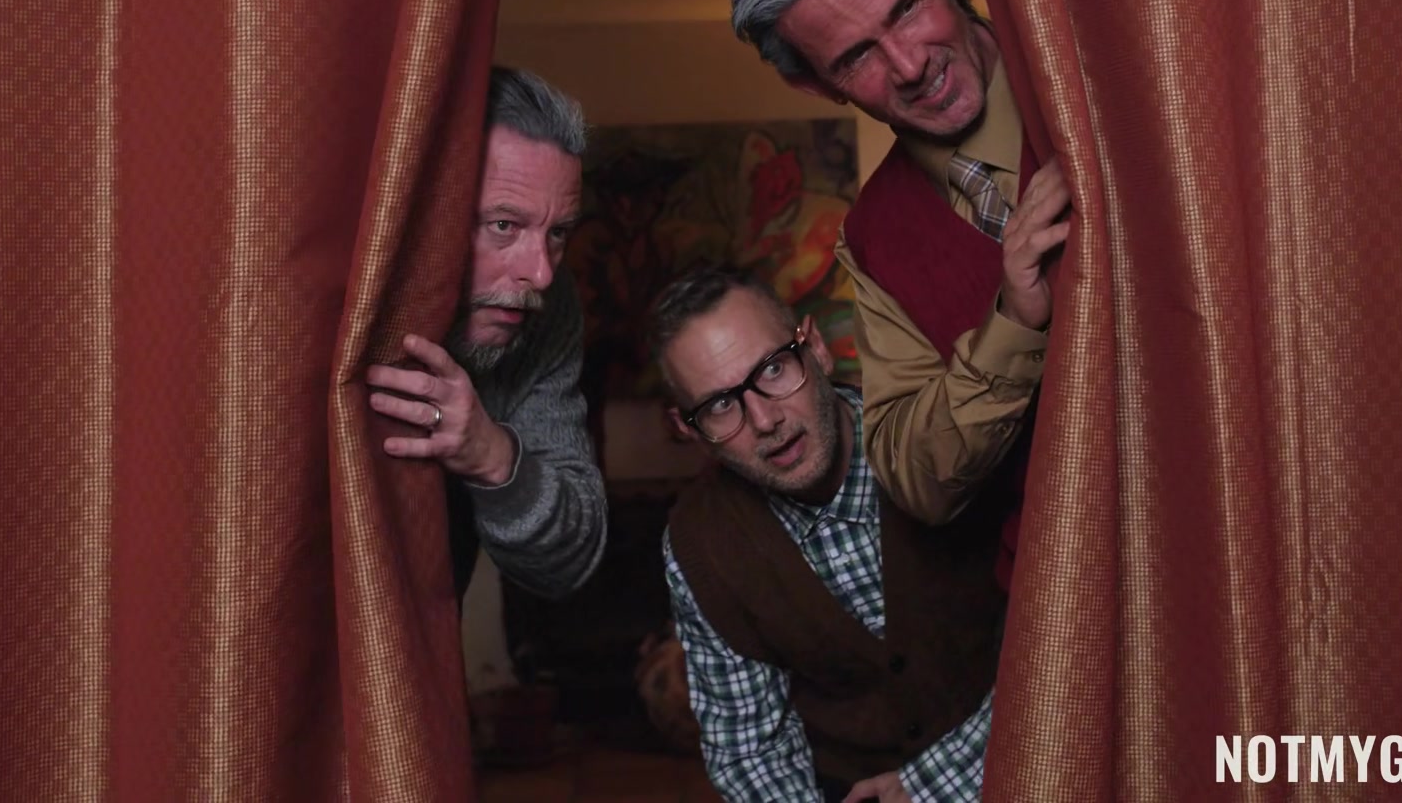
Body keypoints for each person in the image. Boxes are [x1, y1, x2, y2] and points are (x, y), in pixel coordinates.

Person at [730, 0, 1070, 580]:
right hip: (1070, 585)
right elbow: (915, 480)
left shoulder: (1099, 81)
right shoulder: (873, 238)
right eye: (857, 57)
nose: (911, 66)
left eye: (907, 8)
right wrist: (1014, 322)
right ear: (817, 86)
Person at [656, 268, 1002, 803]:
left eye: (773, 369)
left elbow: (1064, 639)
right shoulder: (701, 544)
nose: (764, 419)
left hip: (1026, 766)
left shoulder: (944, 440)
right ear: (689, 430)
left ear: (816, 348)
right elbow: (749, 747)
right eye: (720, 405)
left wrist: (928, 788)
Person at [365, 66, 606, 600]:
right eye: (503, 225)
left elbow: (575, 557)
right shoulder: (348, 288)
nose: (539, 273)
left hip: (426, 622)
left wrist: (492, 457)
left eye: (558, 233)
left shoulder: (545, 308)